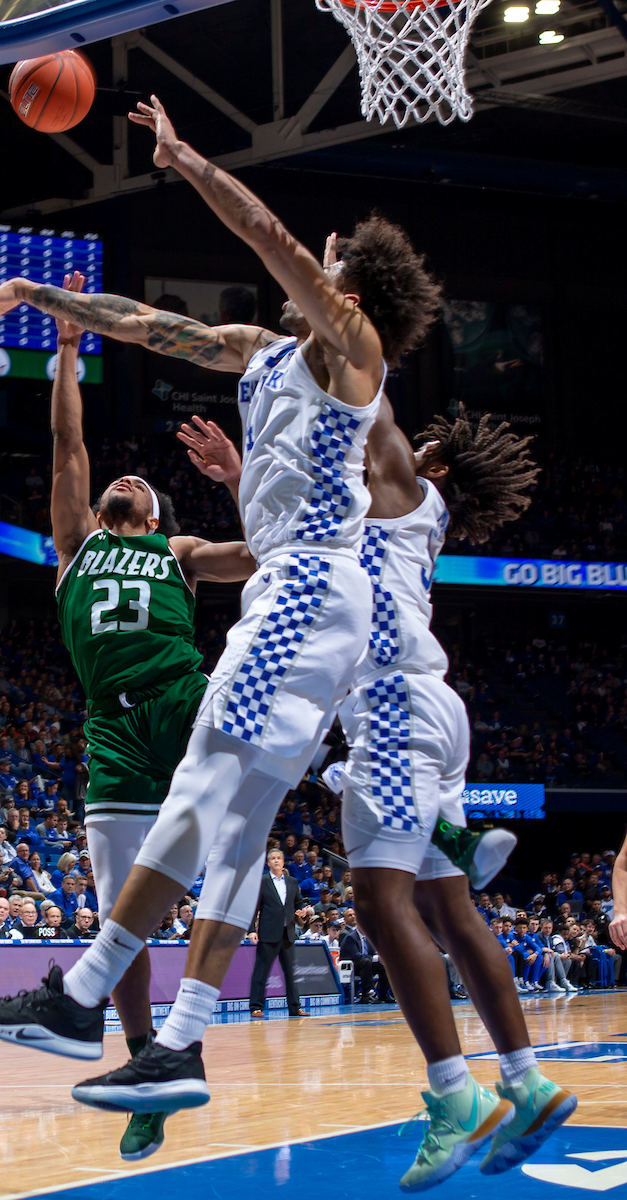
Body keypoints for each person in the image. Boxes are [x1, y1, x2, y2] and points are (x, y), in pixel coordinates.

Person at [0, 94, 424, 1121]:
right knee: (231, 815)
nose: (315, 261)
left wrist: (183, 157)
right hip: (296, 590)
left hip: (305, 587)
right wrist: (42, 295)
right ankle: (173, 1046)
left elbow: (265, 232)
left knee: (207, 777)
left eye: (331, 260)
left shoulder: (350, 347)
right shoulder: (261, 350)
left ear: (349, 291)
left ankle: (78, 999)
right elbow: (151, 327)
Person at [0, 266, 254, 1161]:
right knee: (119, 916)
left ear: (155, 512)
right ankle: (141, 1071)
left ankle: (186, 1031)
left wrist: (238, 476)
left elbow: (267, 551)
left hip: (180, 703)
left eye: (141, 482)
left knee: (236, 849)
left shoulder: (179, 550)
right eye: (113, 479)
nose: (122, 478)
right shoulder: (75, 545)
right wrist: (70, 349)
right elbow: (66, 451)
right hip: (111, 733)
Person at [310, 347, 574, 1182]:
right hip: (425, 711)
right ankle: (527, 1084)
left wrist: (346, 305)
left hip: (392, 710)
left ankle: (454, 1094)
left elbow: (366, 390)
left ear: (437, 467)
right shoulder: (401, 513)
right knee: (451, 913)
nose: (401, 443)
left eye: (418, 444)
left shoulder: (401, 482)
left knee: (382, 910)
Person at [248, 849, 310, 1019]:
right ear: (268, 863)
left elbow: (298, 903)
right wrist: (252, 930)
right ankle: (256, 1007)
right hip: (268, 933)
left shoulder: (292, 881)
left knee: (291, 973)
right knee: (261, 971)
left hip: (288, 932)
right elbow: (254, 908)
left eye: (278, 858)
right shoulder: (262, 882)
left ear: (283, 862)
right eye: (272, 858)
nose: (276, 861)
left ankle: (295, 1007)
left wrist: (302, 911)